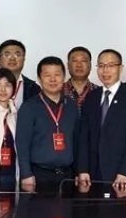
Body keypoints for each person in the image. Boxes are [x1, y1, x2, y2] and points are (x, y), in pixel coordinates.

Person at [77, 49, 126, 188]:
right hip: (93, 174)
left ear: (121, 68)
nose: (105, 70)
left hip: (121, 175)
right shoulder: (91, 97)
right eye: (101, 66)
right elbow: (84, 136)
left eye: (111, 65)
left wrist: (125, 171)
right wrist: (82, 169)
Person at [16, 57, 79, 191]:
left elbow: (78, 141)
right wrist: (26, 174)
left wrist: (79, 171)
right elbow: (22, 144)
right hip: (39, 176)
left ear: (64, 77)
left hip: (68, 176)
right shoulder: (29, 107)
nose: (52, 79)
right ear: (39, 79)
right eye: (47, 75)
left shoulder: (72, 106)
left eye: (57, 75)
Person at [63, 46, 98, 112]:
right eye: (75, 61)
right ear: (68, 65)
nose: (79, 65)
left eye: (84, 61)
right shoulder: (57, 91)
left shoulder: (100, 92)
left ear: (90, 65)